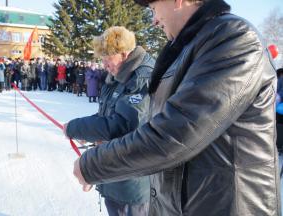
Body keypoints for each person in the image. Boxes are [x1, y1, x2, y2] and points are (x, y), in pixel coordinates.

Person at [72, 0, 281, 215]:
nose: (153, 20)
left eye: (154, 9)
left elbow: (175, 134)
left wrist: (93, 165)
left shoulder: (233, 39)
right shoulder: (188, 49)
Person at [65, 26, 155, 216]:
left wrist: (75, 128)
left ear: (123, 54)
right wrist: (86, 132)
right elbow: (103, 118)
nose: (104, 65)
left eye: (108, 59)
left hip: (132, 181)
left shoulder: (141, 78)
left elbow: (122, 126)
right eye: (102, 59)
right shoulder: (116, 76)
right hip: (112, 174)